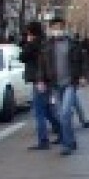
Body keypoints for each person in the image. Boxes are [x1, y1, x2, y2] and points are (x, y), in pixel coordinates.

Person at [39, 17, 86, 156]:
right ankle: (71, 140)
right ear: (51, 29)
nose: (57, 30)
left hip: (70, 83)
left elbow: (81, 61)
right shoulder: (46, 45)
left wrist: (82, 76)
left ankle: (66, 145)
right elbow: (42, 64)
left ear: (64, 28)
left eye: (60, 27)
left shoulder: (73, 44)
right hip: (54, 84)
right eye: (55, 28)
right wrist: (41, 80)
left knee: (65, 113)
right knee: (60, 115)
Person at [20, 21, 61, 150]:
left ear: (31, 32)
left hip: (39, 80)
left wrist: (28, 42)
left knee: (39, 111)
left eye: (28, 32)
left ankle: (43, 140)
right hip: (46, 79)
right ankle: (62, 132)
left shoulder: (34, 44)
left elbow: (22, 57)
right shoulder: (45, 42)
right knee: (47, 110)